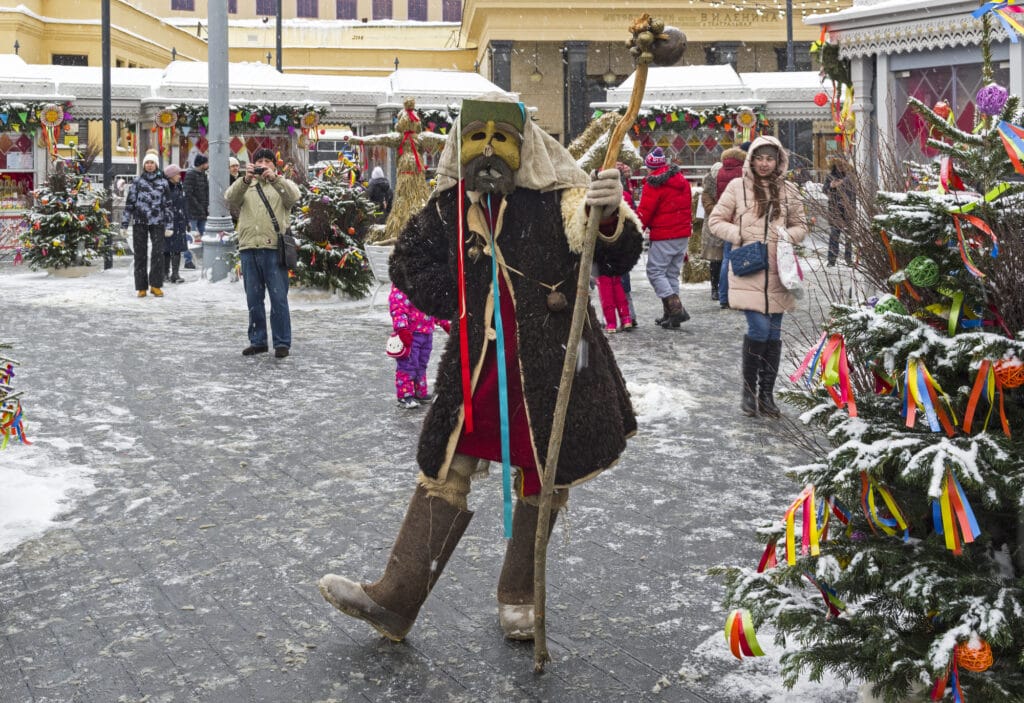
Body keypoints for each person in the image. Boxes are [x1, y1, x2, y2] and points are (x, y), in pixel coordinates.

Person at [318, 93, 643, 643]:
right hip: (478, 364)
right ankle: (395, 600)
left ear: (523, 147)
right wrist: (459, 298)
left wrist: (610, 215)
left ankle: (520, 597)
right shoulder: (449, 207)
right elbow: (407, 261)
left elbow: (612, 255)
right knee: (445, 467)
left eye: (502, 139)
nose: (488, 149)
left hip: (554, 361)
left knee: (545, 471)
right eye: (477, 138)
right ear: (459, 145)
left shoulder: (561, 197)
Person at [708, 136, 808, 418]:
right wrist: (739, 236)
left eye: (770, 159)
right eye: (759, 158)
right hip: (749, 268)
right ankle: (749, 393)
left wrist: (788, 236)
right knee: (759, 330)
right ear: (751, 159)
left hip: (779, 272)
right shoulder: (737, 187)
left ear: (779, 161)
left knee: (774, 334)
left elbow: (800, 225)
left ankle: (766, 395)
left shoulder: (788, 190)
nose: (764, 164)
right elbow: (716, 221)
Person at [224, 147, 301, 359]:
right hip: (249, 248)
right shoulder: (246, 184)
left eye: (268, 161)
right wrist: (244, 179)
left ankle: (282, 343)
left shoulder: (282, 184)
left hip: (274, 249)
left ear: (274, 166)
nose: (264, 165)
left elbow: (293, 197)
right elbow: (230, 198)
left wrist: (276, 179)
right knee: (254, 299)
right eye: (260, 161)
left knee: (278, 299)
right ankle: (257, 341)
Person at [637, 147, 692, 328]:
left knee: (655, 272)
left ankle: (676, 309)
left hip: (664, 234)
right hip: (682, 233)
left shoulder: (653, 184)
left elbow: (645, 212)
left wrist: (637, 230)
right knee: (671, 274)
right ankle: (670, 315)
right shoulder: (681, 180)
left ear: (650, 167)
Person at [388, 283, 450, 408]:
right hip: (411, 334)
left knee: (421, 365)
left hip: (427, 334)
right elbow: (398, 308)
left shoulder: (425, 286)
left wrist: (444, 323)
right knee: (408, 364)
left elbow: (434, 309)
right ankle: (405, 396)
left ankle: (420, 392)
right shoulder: (402, 287)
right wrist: (402, 329)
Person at [121, 150, 172, 298]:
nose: (149, 165)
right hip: (140, 222)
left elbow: (168, 206)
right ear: (144, 165)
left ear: (156, 164)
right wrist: (124, 224)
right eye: (147, 163)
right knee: (140, 254)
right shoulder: (137, 182)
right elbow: (129, 204)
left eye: (152, 162)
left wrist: (169, 226)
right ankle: (141, 287)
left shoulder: (163, 183)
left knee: (157, 254)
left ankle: (155, 285)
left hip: (158, 222)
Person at [703, 145, 747, 308]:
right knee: (742, 257)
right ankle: (738, 295)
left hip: (726, 219)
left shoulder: (719, 171)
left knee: (726, 258)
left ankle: (723, 297)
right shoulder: (744, 171)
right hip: (740, 218)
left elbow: (712, 194)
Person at [822, 155, 856, 266]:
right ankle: (831, 260)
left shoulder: (851, 176)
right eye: (839, 164)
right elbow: (824, 190)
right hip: (834, 210)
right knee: (834, 235)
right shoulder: (830, 176)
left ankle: (848, 259)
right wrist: (831, 186)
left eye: (843, 164)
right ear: (835, 165)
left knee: (848, 237)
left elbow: (854, 192)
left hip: (848, 210)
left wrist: (843, 184)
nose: (841, 167)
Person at [162, 164, 189, 284]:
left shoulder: (179, 187)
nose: (180, 176)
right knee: (166, 249)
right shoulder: (164, 188)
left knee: (177, 249)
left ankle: (175, 274)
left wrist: (187, 221)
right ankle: (164, 274)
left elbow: (183, 206)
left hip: (179, 222)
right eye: (177, 174)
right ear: (171, 176)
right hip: (168, 223)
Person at [183, 153, 210, 270]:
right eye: (206, 162)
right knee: (191, 237)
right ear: (201, 164)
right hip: (193, 212)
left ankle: (207, 259)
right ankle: (188, 260)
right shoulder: (191, 175)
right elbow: (189, 194)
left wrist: (205, 207)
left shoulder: (203, 174)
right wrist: (199, 206)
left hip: (202, 211)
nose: (208, 165)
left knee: (205, 236)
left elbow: (205, 192)